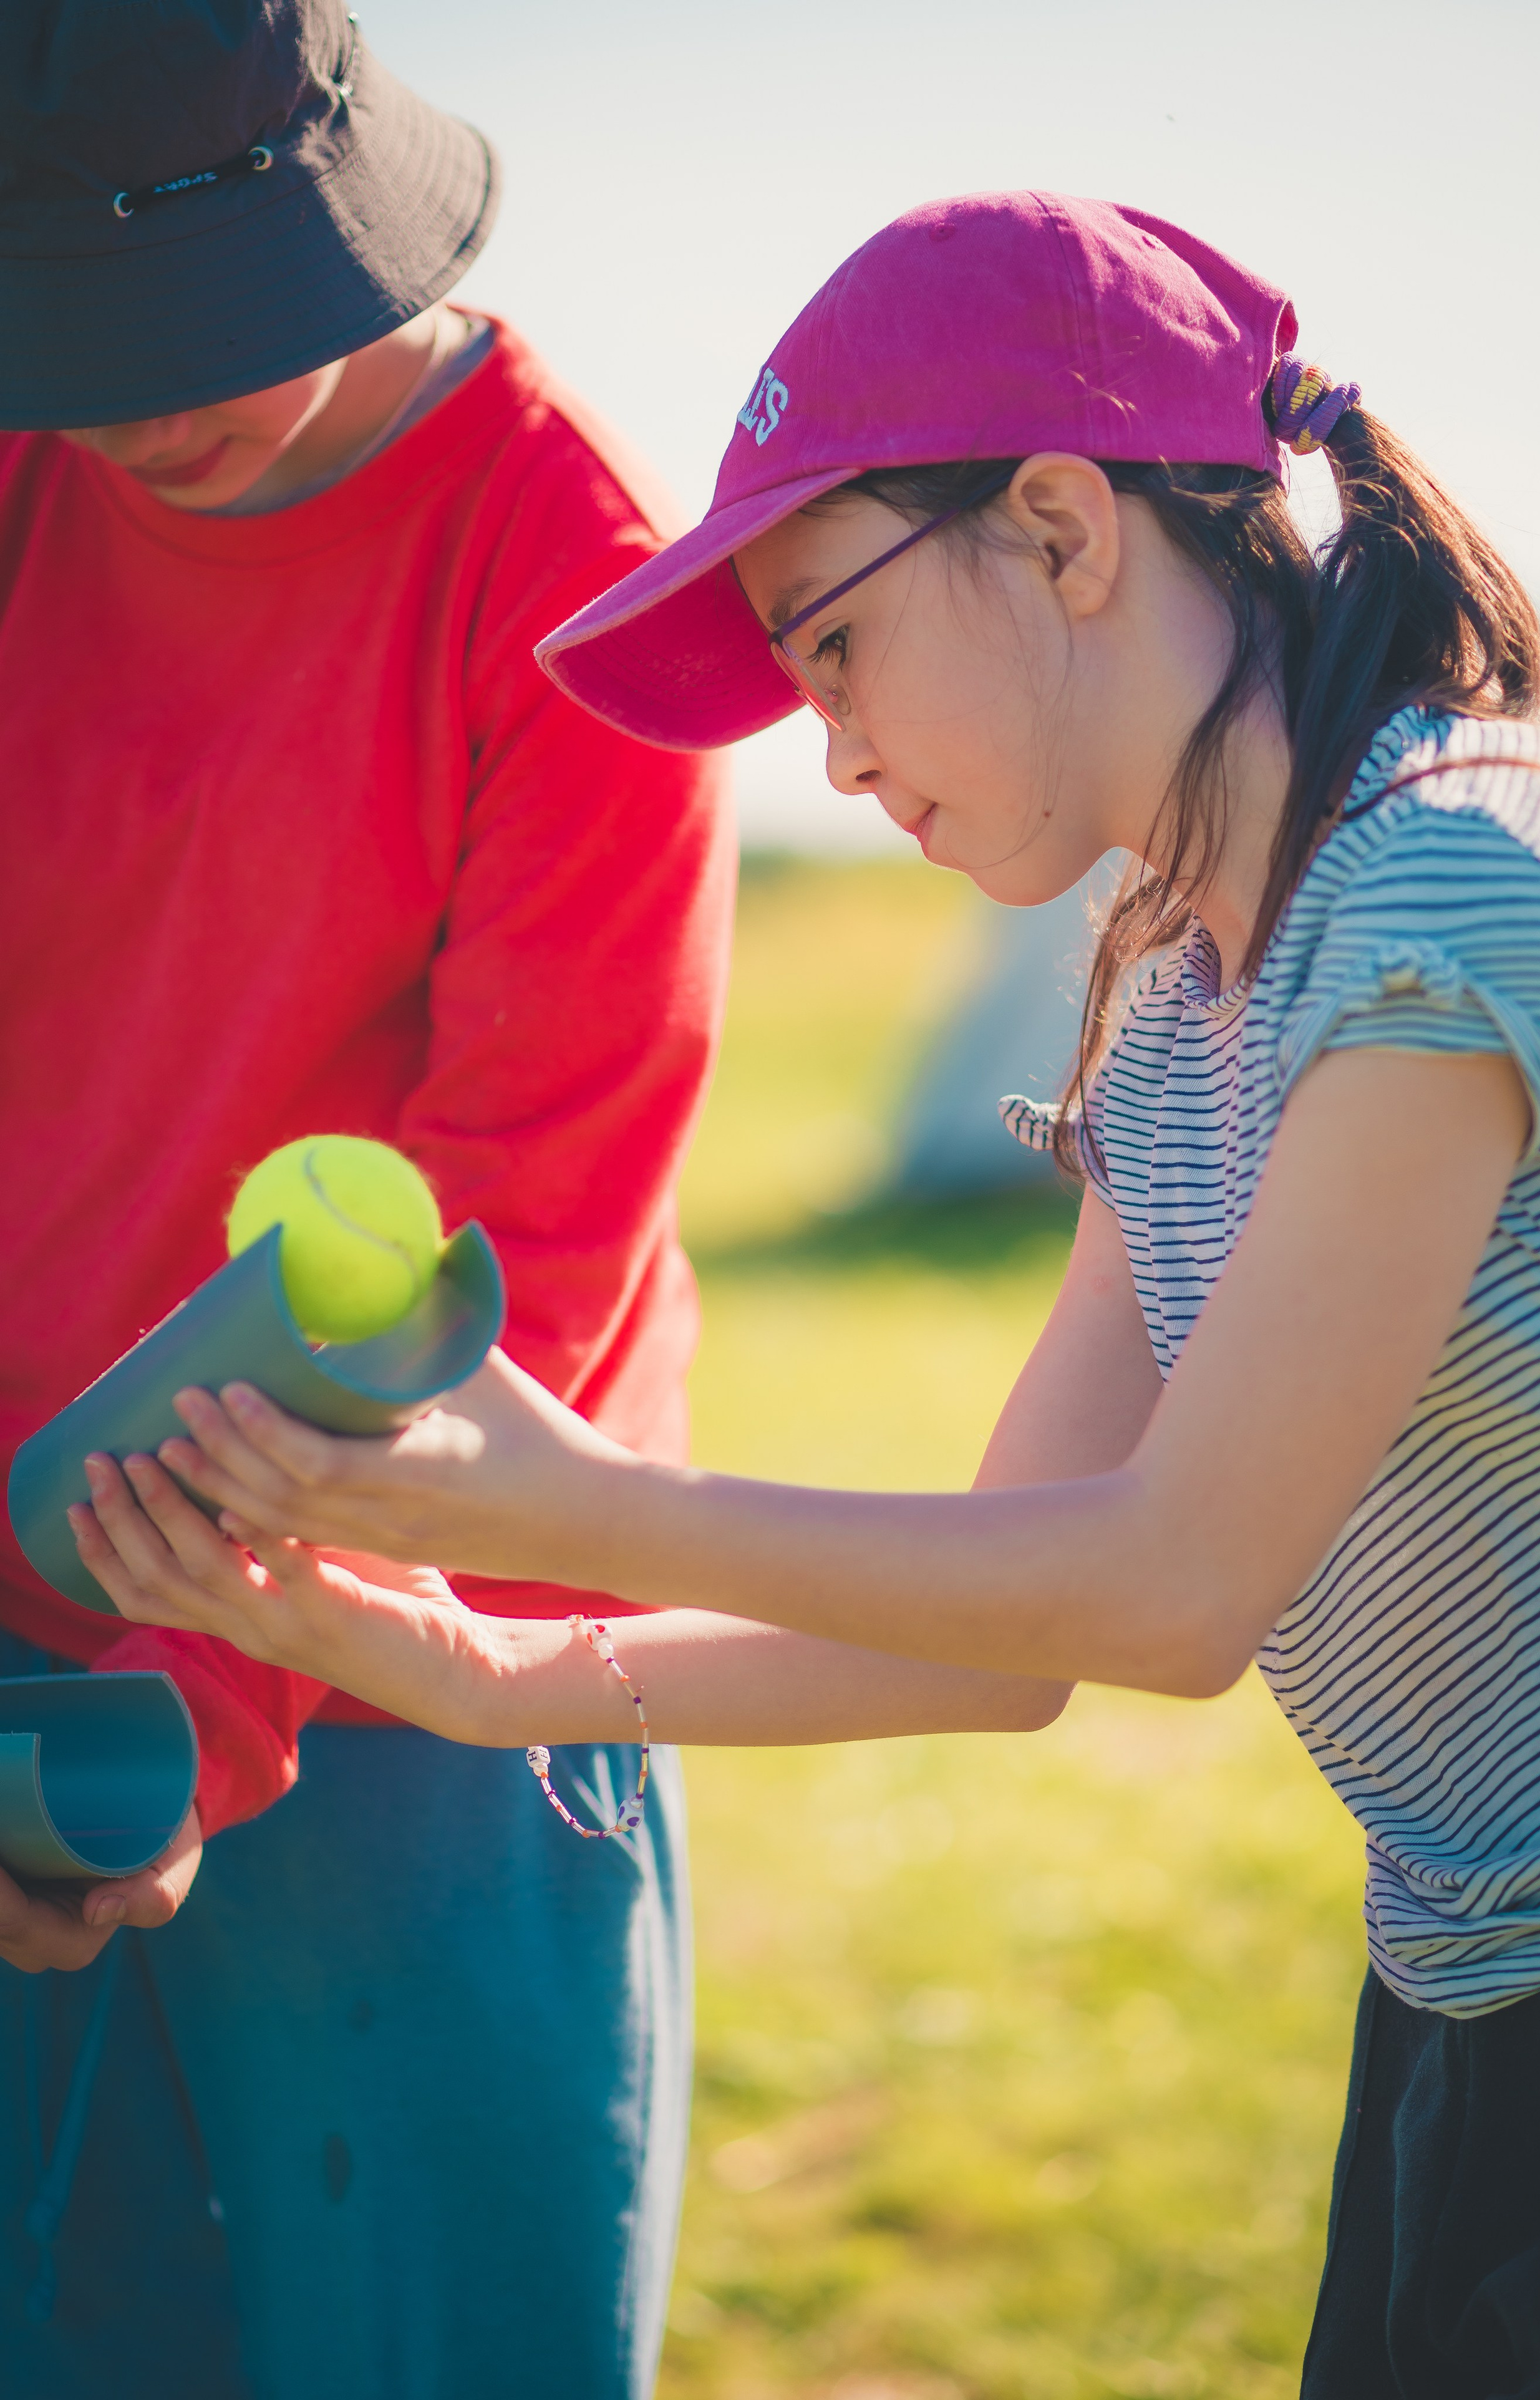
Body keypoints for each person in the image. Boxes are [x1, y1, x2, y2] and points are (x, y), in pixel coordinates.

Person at [77, 186, 1540, 2394]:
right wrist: (489, 1674)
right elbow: (1011, 1635)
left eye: (831, 644)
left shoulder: (1449, 871)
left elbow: (1172, 1591)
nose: (834, 753)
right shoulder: (1178, 982)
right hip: (1469, 1998)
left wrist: (573, 1504)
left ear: (1064, 531)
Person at [0, 2, 768, 2393]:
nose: (138, 403)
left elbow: (512, 1243)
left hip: (420, 1666)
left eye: (195, 321)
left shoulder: (575, 569)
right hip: (26, 1649)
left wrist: (185, 1715)